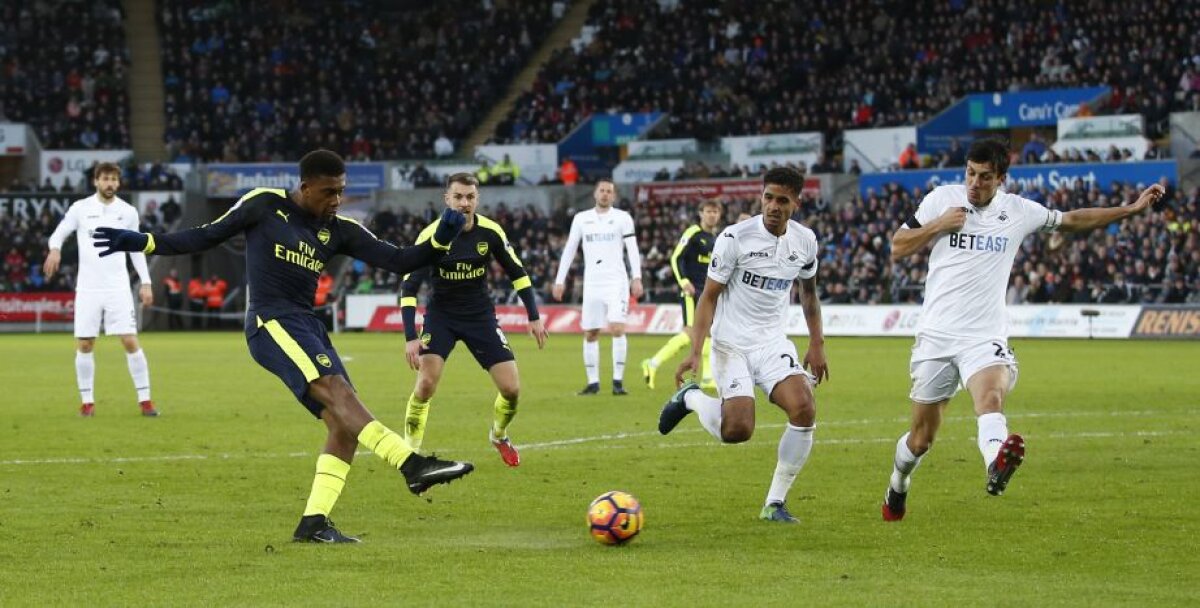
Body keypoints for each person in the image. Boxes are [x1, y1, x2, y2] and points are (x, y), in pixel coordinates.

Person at [91, 150, 477, 543]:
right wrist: (146, 242)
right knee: (339, 393)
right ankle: (410, 465)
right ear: (305, 187)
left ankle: (314, 523)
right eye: (329, 192)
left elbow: (402, 260)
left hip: (307, 325)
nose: (336, 200)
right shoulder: (264, 204)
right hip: (269, 321)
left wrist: (443, 234)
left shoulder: (340, 229)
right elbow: (207, 234)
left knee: (343, 424)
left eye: (341, 191)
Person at [880, 138, 1165, 521]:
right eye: (970, 174)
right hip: (936, 336)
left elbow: (1074, 219)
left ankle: (996, 463)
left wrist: (1131, 209)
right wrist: (937, 225)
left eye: (984, 177)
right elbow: (898, 247)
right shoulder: (941, 200)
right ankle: (897, 485)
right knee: (920, 439)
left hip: (985, 335)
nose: (974, 184)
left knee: (991, 398)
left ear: (1001, 179)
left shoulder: (1018, 211)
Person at [658, 167, 829, 524]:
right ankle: (689, 398)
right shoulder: (735, 238)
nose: (773, 206)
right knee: (737, 430)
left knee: (804, 409)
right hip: (731, 344)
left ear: (796, 202)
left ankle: (775, 504)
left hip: (771, 342)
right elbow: (708, 297)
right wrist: (694, 351)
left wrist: (817, 344)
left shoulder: (805, 242)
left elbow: (809, 293)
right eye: (768, 198)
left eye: (783, 200)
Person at [399, 173, 549, 467]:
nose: (464, 203)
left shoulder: (490, 232)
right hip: (441, 317)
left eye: (470, 197)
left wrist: (533, 315)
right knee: (426, 385)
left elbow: (517, 272)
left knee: (511, 389)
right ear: (447, 199)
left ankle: (498, 435)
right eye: (458, 197)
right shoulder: (431, 235)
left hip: (480, 316)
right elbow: (409, 286)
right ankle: (409, 453)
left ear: (477, 200)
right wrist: (410, 336)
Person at [43, 162, 158, 417]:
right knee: (85, 345)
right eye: (105, 179)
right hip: (88, 288)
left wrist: (146, 282)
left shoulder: (127, 212)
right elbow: (59, 234)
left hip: (118, 288)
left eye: (114, 179)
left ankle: (145, 400)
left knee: (130, 341)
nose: (110, 184)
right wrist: (55, 249)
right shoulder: (81, 208)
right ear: (96, 181)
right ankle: (87, 402)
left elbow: (136, 248)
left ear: (119, 183)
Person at [552, 179, 643, 395]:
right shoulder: (582, 219)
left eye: (609, 192)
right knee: (591, 332)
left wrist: (636, 277)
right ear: (595, 193)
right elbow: (569, 250)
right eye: (601, 190)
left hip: (616, 281)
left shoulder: (622, 218)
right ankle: (593, 383)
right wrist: (559, 279)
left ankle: (617, 382)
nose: (605, 194)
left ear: (614, 196)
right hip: (592, 282)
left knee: (617, 328)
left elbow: (632, 249)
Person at [642, 199, 721, 390]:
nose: (712, 215)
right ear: (701, 213)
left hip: (707, 293)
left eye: (715, 212)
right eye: (708, 211)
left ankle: (708, 378)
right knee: (690, 332)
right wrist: (683, 281)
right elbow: (676, 257)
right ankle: (652, 363)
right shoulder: (692, 233)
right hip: (691, 291)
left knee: (708, 333)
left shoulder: (716, 238)